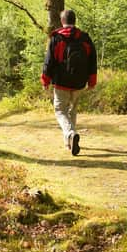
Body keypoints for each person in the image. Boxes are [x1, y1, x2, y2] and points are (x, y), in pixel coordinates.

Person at [41, 10, 97, 156]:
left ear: (62, 21)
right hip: (79, 82)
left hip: (61, 82)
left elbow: (49, 61)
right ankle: (69, 142)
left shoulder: (56, 38)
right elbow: (92, 60)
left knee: (60, 110)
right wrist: (92, 81)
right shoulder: (85, 38)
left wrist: (45, 80)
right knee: (73, 110)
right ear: (74, 20)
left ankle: (70, 134)